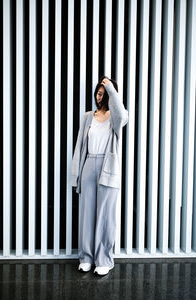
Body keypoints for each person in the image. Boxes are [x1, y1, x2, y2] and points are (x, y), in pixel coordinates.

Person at [69, 76, 129, 276]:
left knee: (105, 216)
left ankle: (104, 259)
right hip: (89, 165)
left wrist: (110, 87)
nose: (99, 96)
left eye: (103, 93)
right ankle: (86, 258)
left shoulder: (116, 117)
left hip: (108, 166)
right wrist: (76, 174)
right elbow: (79, 146)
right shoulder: (88, 117)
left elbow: (122, 113)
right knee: (86, 214)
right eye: (98, 92)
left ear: (111, 95)